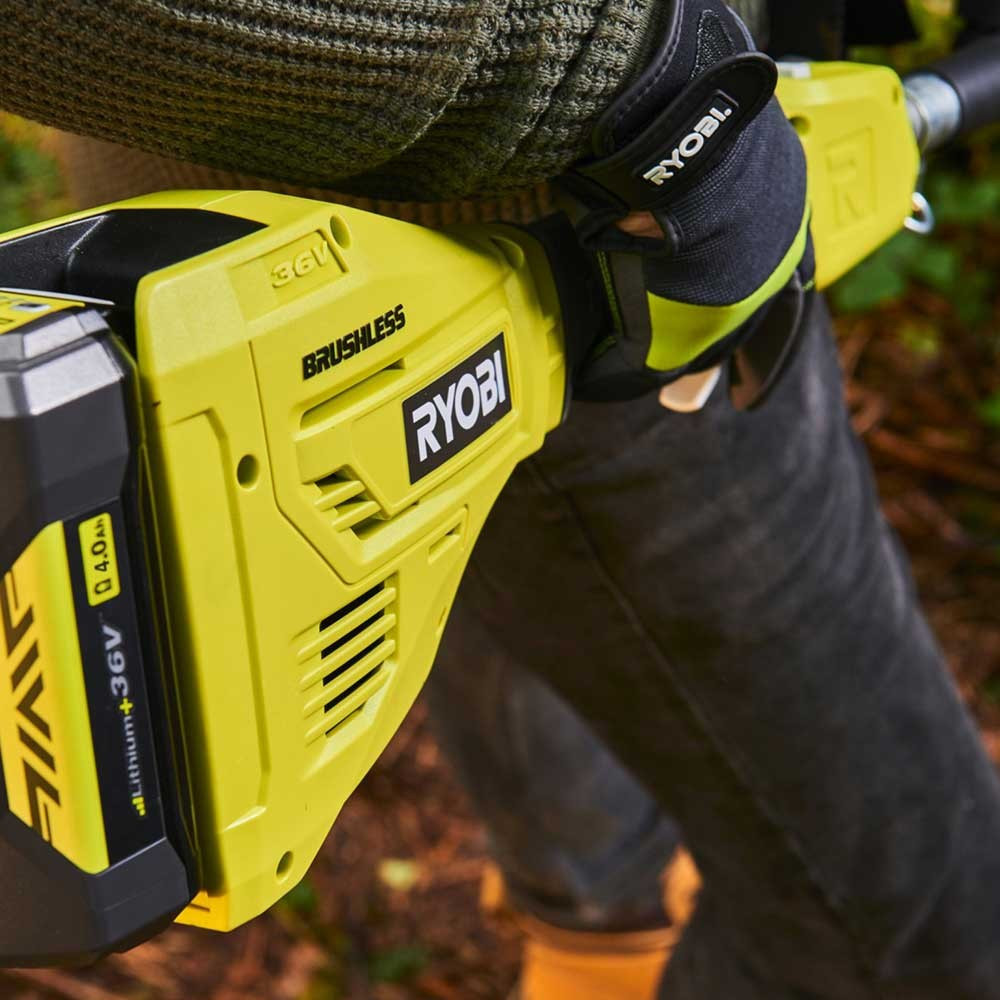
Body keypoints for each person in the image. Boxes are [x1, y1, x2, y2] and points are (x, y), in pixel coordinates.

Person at [2, 1, 1000, 997]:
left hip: (312, 262)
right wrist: (638, 76)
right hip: (612, 242)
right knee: (915, 921)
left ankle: (596, 933)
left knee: (487, 552)